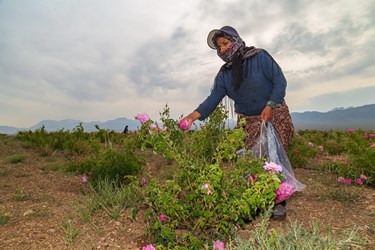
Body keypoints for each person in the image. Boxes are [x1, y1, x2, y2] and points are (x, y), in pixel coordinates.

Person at [180, 26, 295, 220]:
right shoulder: (225, 74)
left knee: (274, 158)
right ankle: (257, 200)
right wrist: (191, 117)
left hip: (274, 113)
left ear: (236, 40)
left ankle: (278, 202)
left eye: (225, 43)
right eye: (219, 48)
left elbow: (279, 81)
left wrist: (270, 105)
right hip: (248, 122)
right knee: (252, 161)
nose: (222, 49)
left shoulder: (259, 57)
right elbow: (212, 99)